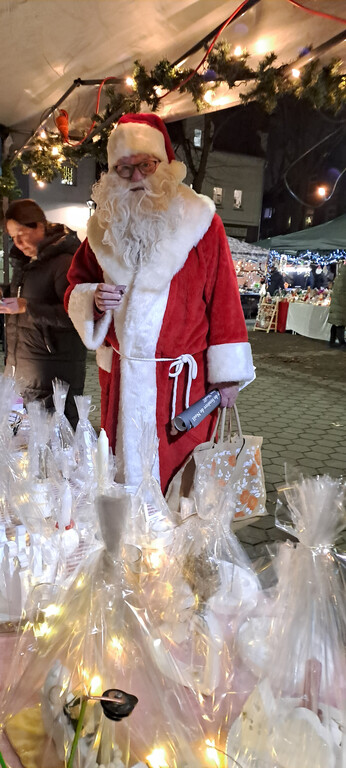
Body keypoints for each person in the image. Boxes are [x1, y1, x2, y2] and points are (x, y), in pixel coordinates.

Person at [65, 113, 255, 492]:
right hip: (120, 378)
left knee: (179, 482)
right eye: (124, 168)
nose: (135, 177)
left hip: (183, 389)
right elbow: (75, 286)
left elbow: (224, 299)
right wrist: (93, 301)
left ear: (164, 165)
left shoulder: (201, 221)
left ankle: (178, 550)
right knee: (120, 475)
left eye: (145, 165)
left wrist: (228, 377)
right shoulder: (102, 228)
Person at [1, 199, 87, 427]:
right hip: (24, 374)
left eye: (21, 233)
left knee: (57, 448)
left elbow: (76, 315)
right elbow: (27, 294)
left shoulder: (65, 262)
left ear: (39, 226)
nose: (17, 242)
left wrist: (27, 308)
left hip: (54, 378)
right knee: (26, 450)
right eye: (12, 236)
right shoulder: (28, 262)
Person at [327, 261, 346, 349]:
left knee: (335, 322)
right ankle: (342, 343)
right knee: (340, 322)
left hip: (337, 301)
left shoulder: (340, 275)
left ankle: (332, 341)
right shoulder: (344, 275)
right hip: (341, 302)